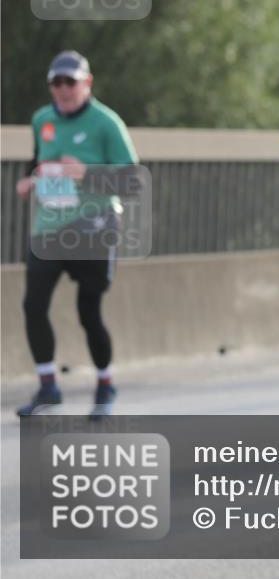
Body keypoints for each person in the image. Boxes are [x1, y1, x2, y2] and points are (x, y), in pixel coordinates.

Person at [15, 50, 139, 419]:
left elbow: (132, 181)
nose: (64, 89)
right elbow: (39, 162)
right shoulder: (41, 119)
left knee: (89, 311)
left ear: (87, 83)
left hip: (94, 228)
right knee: (33, 306)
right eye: (57, 82)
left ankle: (105, 384)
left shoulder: (106, 123)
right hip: (49, 228)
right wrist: (31, 181)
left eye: (71, 81)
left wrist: (87, 173)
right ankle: (48, 386)